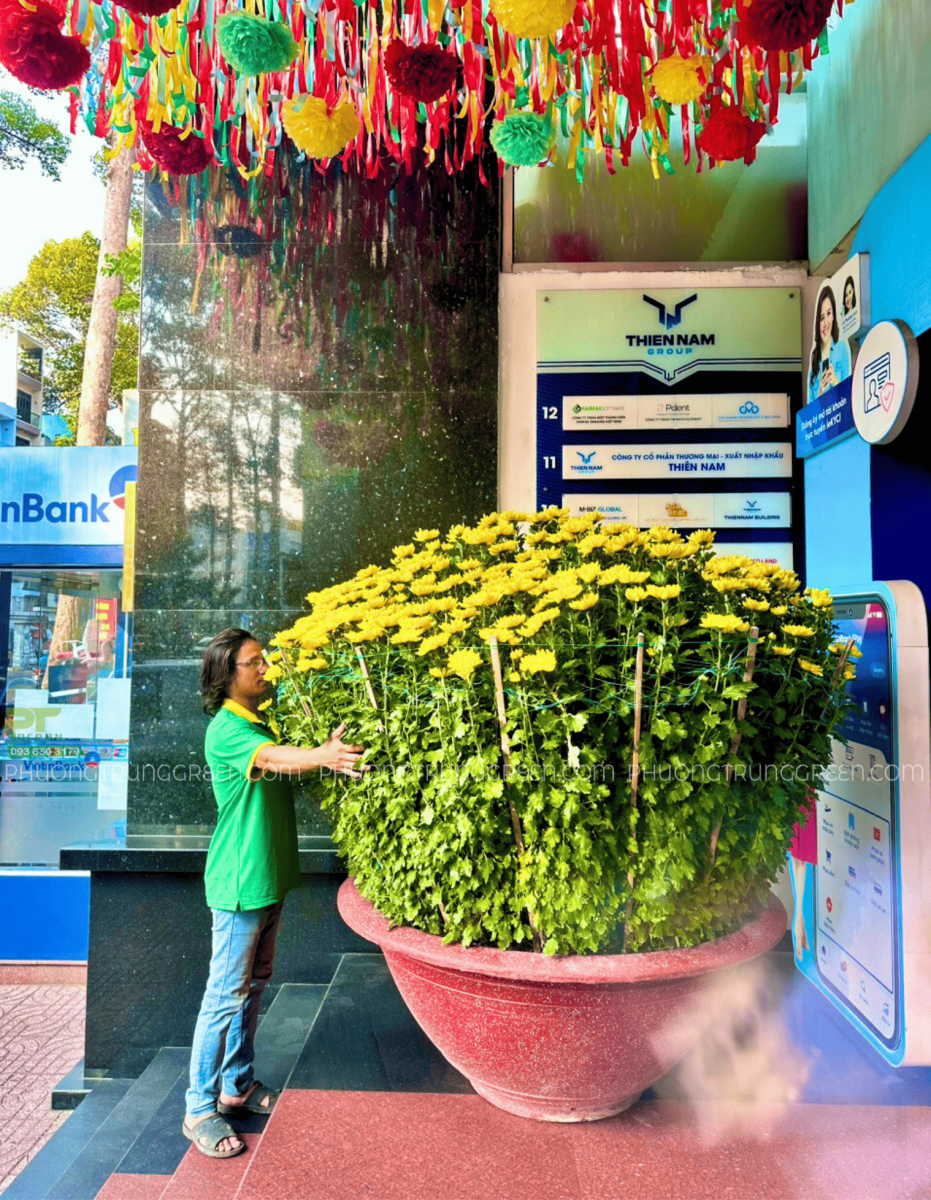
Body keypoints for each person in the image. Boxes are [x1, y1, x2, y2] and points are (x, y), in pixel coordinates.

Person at [183, 627, 366, 1159]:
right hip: (240, 883)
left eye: (264, 659)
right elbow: (274, 758)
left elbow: (284, 760)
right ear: (227, 675)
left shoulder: (257, 722)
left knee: (252, 987)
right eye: (254, 662)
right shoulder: (227, 730)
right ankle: (199, 1109)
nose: (265, 668)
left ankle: (236, 1086)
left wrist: (325, 754)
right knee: (225, 996)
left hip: (266, 879)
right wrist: (321, 754)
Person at [808, 284, 852, 404]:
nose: (825, 322)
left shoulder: (842, 348)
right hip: (823, 415)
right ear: (818, 323)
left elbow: (849, 397)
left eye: (828, 313)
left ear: (833, 316)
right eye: (822, 318)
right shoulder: (814, 361)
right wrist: (821, 392)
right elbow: (809, 411)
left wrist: (835, 382)